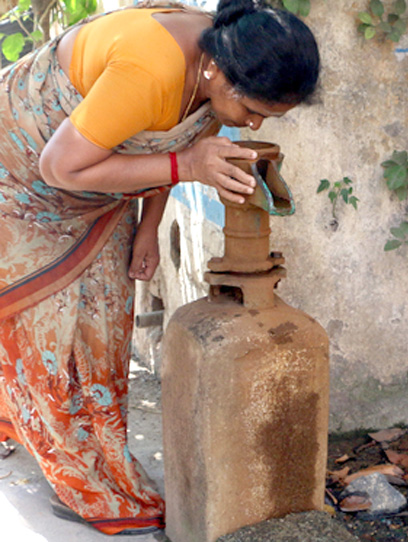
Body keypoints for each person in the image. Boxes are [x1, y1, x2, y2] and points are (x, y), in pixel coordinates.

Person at [0, 0, 319, 535]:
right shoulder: (151, 69)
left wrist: (148, 228)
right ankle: (79, 481)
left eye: (269, 117)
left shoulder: (219, 62)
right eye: (254, 110)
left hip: (97, 180)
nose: (255, 124)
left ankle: (96, 451)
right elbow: (61, 166)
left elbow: (168, 137)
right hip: (25, 178)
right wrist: (189, 166)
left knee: (103, 324)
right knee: (46, 329)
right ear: (218, 71)